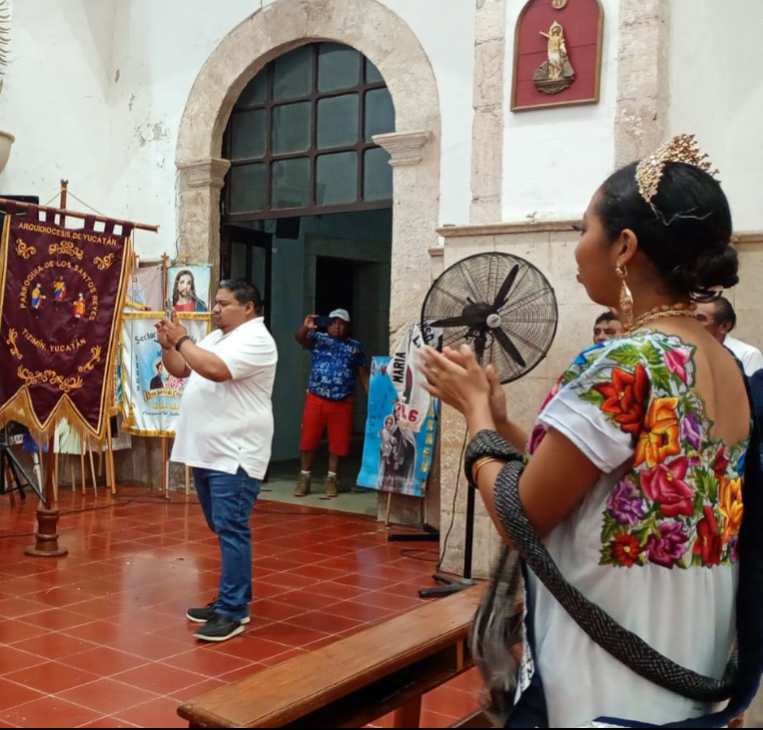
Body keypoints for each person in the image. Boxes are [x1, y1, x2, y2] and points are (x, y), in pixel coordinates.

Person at [420, 135, 760, 727]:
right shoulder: (722, 361)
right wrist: (503, 422)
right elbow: (608, 480)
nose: (578, 250)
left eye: (584, 229)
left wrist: (475, 417)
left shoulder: (627, 362)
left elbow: (521, 514)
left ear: (624, 246)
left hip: (609, 669)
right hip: (688, 651)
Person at [158, 279, 277, 642]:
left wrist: (182, 340)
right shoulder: (215, 337)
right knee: (220, 525)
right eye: (215, 303)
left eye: (223, 304)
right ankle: (229, 597)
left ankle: (233, 610)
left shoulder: (257, 339)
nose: (215, 309)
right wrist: (168, 345)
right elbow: (181, 368)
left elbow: (215, 371)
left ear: (248, 308)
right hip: (208, 451)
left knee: (231, 526)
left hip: (235, 452)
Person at [294, 309, 369, 498]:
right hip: (316, 397)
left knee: (339, 443)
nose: (337, 326)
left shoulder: (355, 347)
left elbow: (363, 374)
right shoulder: (318, 339)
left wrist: (373, 398)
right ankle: (304, 479)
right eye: (334, 322)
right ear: (328, 323)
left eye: (342, 323)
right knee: (308, 439)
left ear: (348, 326)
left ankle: (332, 479)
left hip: (342, 400)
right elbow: (300, 338)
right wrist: (306, 326)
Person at [695, 296, 763, 376]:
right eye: (690, 318)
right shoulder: (686, 351)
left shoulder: (748, 355)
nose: (692, 323)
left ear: (725, 326)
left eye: (700, 318)